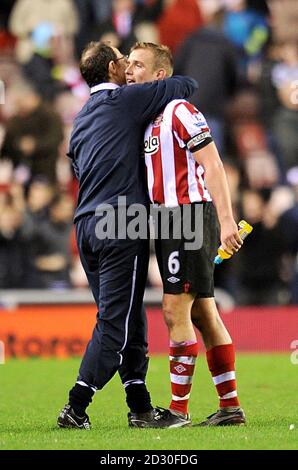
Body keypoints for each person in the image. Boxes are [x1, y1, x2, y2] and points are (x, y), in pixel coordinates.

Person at [57, 41, 197, 429]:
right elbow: (186, 84)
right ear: (115, 69)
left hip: (86, 225)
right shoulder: (126, 101)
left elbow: (76, 165)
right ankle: (76, 405)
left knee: (130, 317)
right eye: (125, 62)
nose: (129, 69)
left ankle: (139, 406)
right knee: (115, 324)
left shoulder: (82, 118)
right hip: (122, 223)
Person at [125, 42, 246, 427]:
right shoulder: (148, 117)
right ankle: (230, 407)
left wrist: (227, 221)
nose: (130, 71)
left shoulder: (179, 110)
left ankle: (177, 412)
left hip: (189, 217)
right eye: (128, 65)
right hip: (168, 221)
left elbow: (212, 164)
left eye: (138, 65)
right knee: (204, 312)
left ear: (160, 75)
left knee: (174, 309)